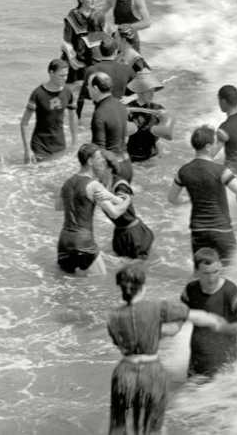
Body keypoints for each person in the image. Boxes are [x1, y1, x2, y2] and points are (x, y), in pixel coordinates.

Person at [104, 258, 212, 434]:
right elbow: (188, 315)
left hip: (124, 372)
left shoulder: (112, 316)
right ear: (143, 286)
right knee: (153, 428)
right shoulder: (156, 307)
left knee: (118, 427)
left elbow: (120, 342)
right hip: (151, 371)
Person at [181, 246, 237, 380]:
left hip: (224, 377)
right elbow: (178, 320)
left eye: (215, 272)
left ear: (220, 267)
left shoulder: (230, 292)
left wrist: (226, 328)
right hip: (196, 372)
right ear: (196, 272)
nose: (212, 278)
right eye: (206, 273)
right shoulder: (190, 290)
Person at [169, 126, 237, 265]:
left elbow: (172, 199)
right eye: (213, 144)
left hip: (198, 231)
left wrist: (188, 200)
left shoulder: (183, 171)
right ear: (208, 146)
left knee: (202, 273)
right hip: (221, 230)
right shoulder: (221, 170)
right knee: (229, 270)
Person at [57, 143, 130, 274]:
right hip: (84, 242)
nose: (102, 161)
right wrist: (127, 200)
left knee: (66, 284)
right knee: (100, 280)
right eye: (99, 158)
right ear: (90, 161)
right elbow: (115, 213)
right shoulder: (94, 185)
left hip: (64, 242)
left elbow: (58, 207)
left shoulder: (67, 183)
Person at [21, 58, 72, 163]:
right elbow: (24, 123)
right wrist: (27, 150)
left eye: (66, 75)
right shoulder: (38, 94)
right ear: (51, 73)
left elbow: (73, 116)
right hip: (40, 146)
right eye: (61, 75)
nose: (65, 78)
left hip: (60, 146)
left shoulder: (67, 92)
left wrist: (75, 142)